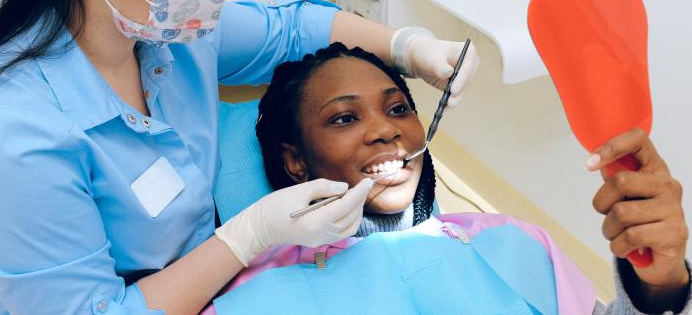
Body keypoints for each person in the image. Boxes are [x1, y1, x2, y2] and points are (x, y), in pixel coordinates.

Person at [0, 0, 480, 314]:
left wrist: (410, 48)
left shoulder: (171, 34)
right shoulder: (11, 134)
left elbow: (290, 31)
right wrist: (247, 237)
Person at [201, 43, 690, 314]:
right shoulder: (256, 297)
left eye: (398, 108)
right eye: (344, 118)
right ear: (295, 163)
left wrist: (660, 282)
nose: (386, 128)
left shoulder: (514, 244)